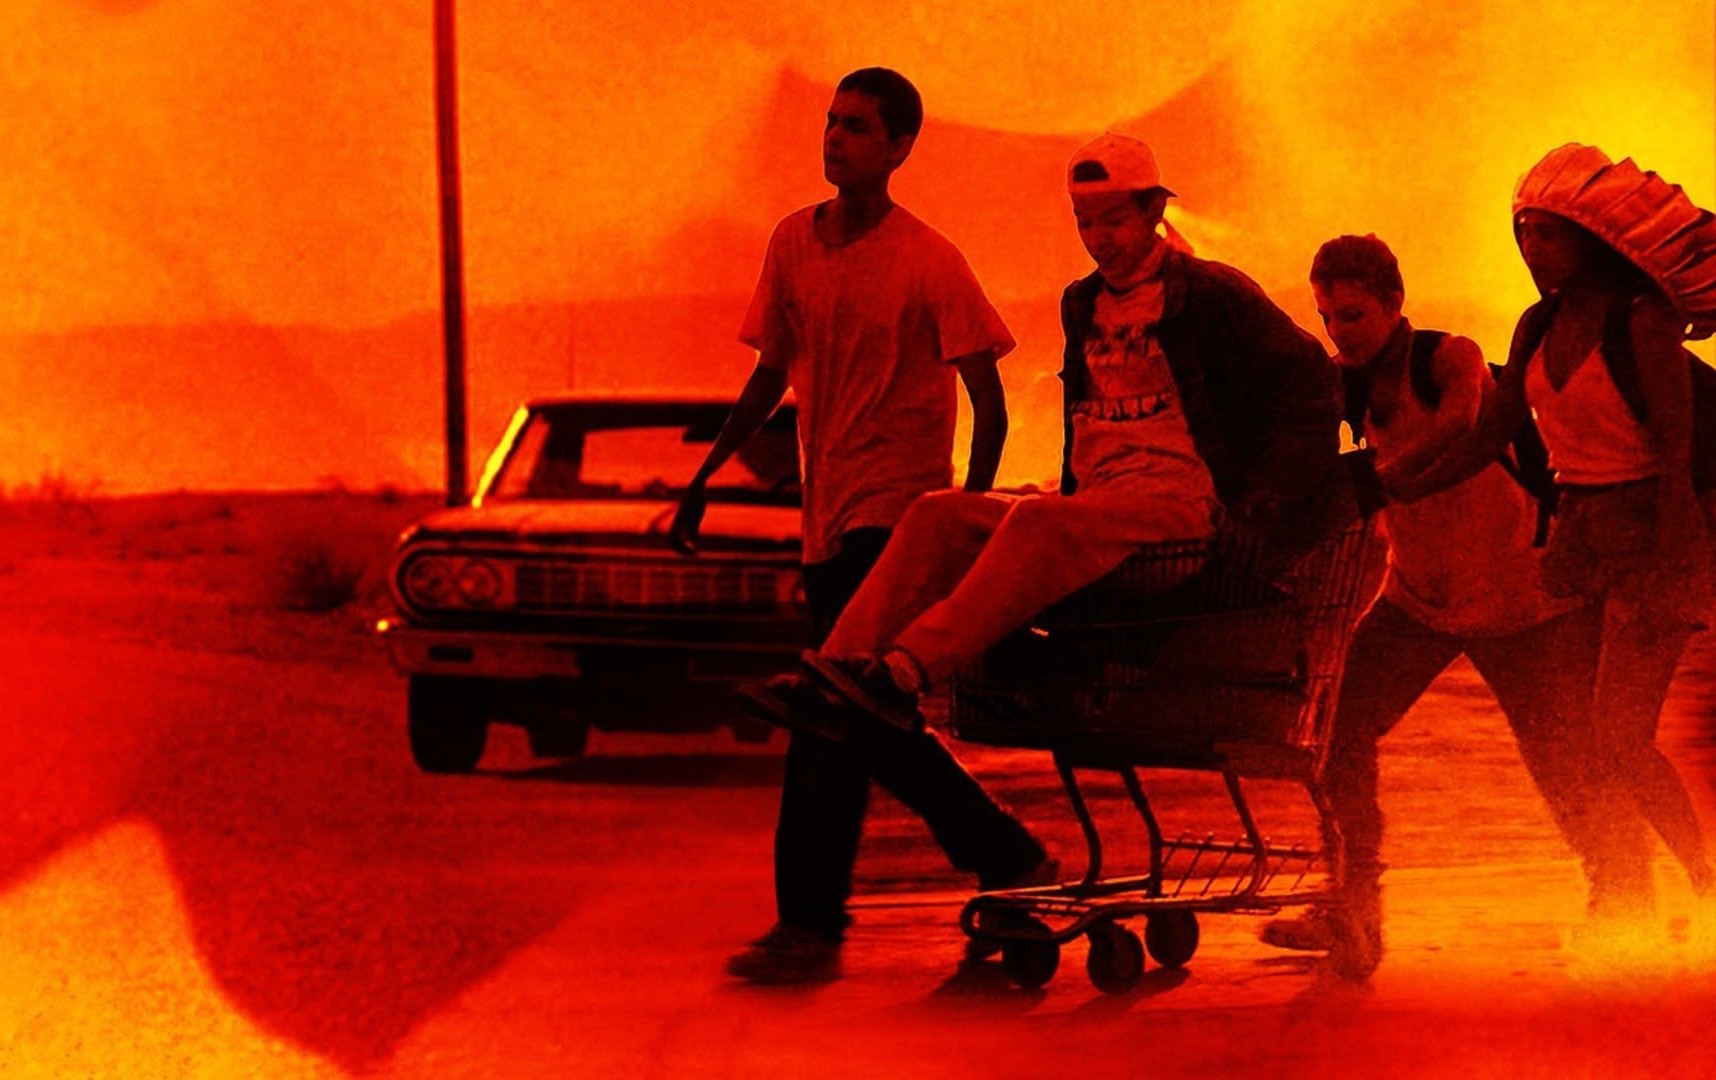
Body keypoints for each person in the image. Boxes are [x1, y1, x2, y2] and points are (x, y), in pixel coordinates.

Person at [670, 67, 1052, 985]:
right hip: (826, 512)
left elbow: (989, 399)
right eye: (831, 123)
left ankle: (807, 924)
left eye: (857, 127)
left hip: (897, 517)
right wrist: (706, 476)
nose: (836, 139)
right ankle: (1003, 854)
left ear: (899, 148)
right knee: (856, 716)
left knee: (828, 710)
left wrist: (961, 523)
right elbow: (771, 374)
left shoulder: (929, 258)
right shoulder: (792, 243)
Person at [771, 133, 1341, 741]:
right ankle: (832, 671)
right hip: (1095, 513)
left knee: (1038, 520)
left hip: (1178, 515)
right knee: (937, 514)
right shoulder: (1082, 302)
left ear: (1153, 210)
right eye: (1084, 222)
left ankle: (906, 671)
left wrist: (1259, 510)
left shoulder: (1210, 293)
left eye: (1113, 221)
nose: (1098, 239)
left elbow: (1311, 381)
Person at [1258, 235, 1650, 980]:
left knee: (1565, 764)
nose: (1340, 332)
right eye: (1327, 317)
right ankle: (1354, 907)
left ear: (1394, 303)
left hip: (1524, 602)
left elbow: (1463, 422)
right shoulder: (1341, 383)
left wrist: (1380, 479)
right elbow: (1293, 452)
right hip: (1420, 600)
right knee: (1337, 735)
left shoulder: (1447, 356)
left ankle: (1626, 899)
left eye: (1354, 315)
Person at [1403, 144, 1716, 923]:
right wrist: (1397, 484)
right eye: (1523, 232)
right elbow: (1493, 433)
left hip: (1650, 535)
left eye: (1547, 233)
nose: (1531, 247)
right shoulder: (1537, 325)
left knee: (1618, 738)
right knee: (1579, 734)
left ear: (1591, 239)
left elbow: (1677, 457)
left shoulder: (1641, 321)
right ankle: (1624, 889)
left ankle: (1701, 876)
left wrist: (1677, 562)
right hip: (1578, 542)